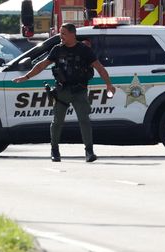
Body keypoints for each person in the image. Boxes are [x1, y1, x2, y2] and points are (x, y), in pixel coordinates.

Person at [13, 23, 115, 163]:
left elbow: (99, 67)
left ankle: (89, 151)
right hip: (62, 91)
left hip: (79, 91)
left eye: (64, 34)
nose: (61, 36)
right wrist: (26, 77)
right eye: (60, 33)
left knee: (84, 121)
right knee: (57, 122)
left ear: (73, 34)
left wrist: (109, 84)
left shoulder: (84, 50)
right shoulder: (57, 49)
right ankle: (55, 150)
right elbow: (42, 64)